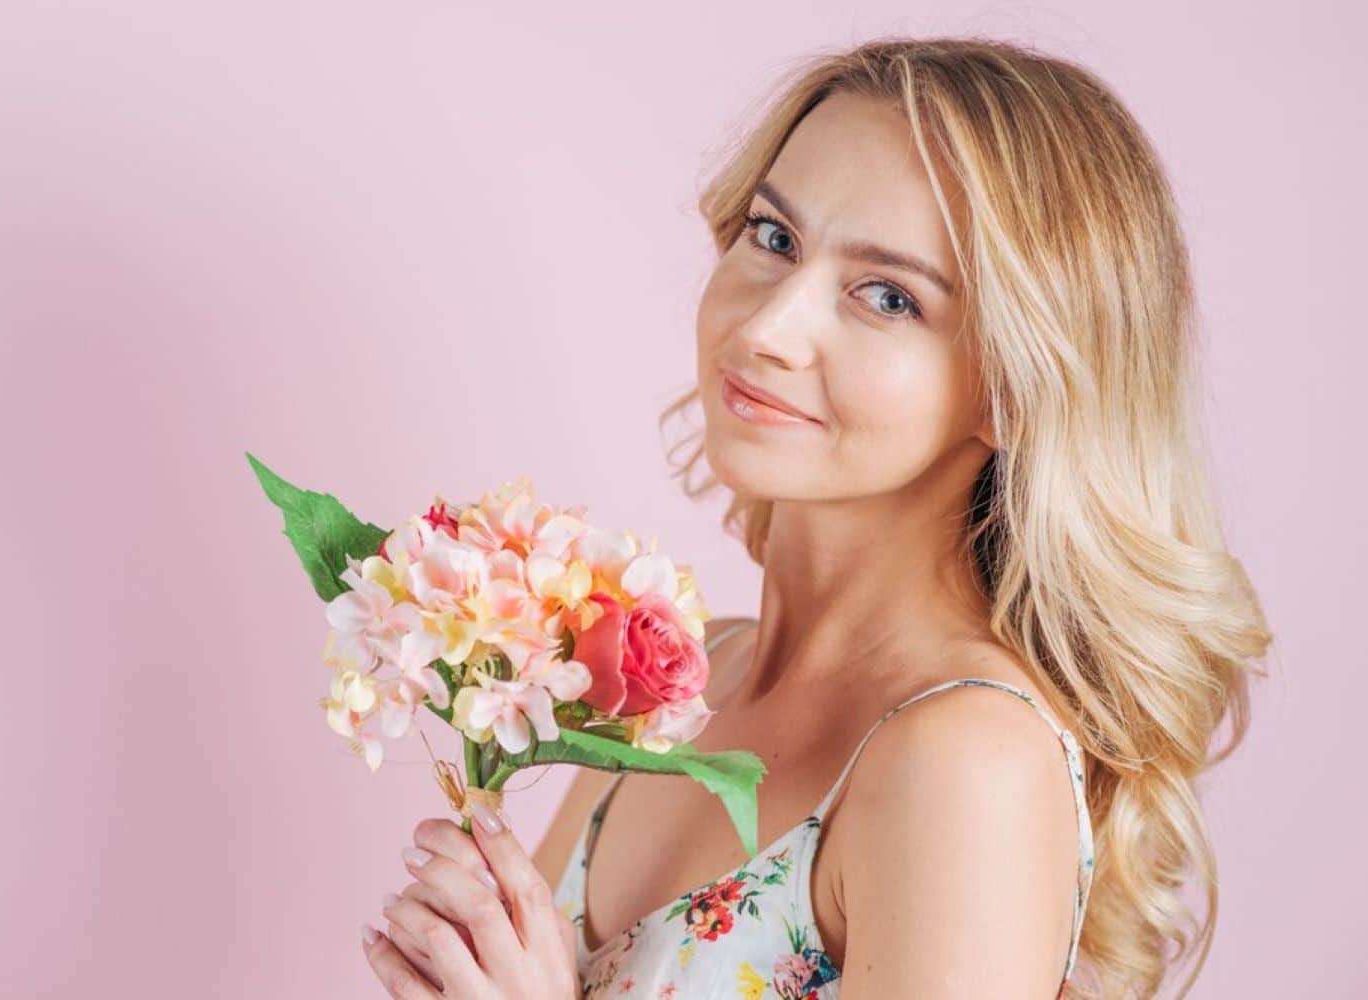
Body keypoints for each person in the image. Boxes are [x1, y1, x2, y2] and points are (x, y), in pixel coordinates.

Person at [361, 35, 1272, 999]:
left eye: (887, 297)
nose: (766, 328)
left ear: (1015, 389)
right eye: (774, 236)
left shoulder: (965, 763)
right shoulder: (676, 686)